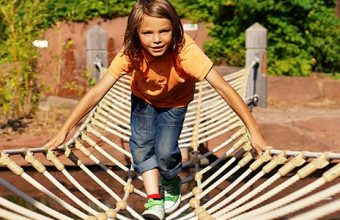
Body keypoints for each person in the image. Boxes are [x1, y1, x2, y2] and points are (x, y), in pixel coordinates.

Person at [44, 0, 268, 219]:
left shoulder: (186, 52)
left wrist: (253, 130)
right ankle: (154, 200)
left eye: (164, 31)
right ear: (136, 34)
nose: (157, 39)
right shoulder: (131, 52)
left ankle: (170, 179)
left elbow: (224, 88)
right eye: (148, 33)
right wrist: (66, 130)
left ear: (175, 29)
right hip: (143, 100)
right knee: (140, 147)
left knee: (164, 151)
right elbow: (96, 92)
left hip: (176, 103)